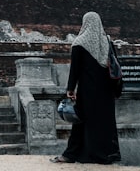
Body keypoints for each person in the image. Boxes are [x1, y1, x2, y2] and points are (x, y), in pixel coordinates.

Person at [51, 12, 121, 164]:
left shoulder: (79, 43)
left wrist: (70, 89)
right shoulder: (107, 42)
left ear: (85, 23)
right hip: (106, 92)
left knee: (81, 123)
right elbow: (114, 66)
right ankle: (106, 155)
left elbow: (74, 70)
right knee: (104, 124)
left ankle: (71, 154)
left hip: (87, 91)